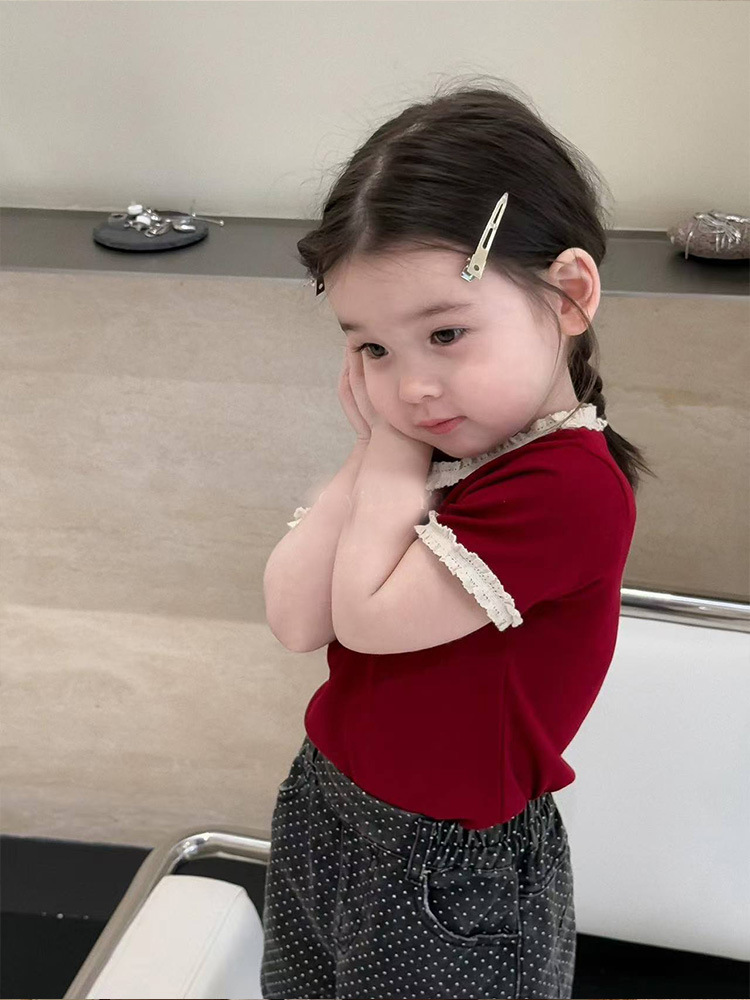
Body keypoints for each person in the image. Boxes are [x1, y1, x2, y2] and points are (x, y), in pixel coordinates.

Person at [261, 77, 656, 1000]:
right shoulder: (440, 452)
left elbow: (367, 619)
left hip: (447, 870)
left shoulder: (566, 487)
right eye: (373, 349)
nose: (413, 388)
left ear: (569, 294)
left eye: (445, 333)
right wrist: (375, 457)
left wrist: (390, 452)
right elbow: (295, 618)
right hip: (326, 805)